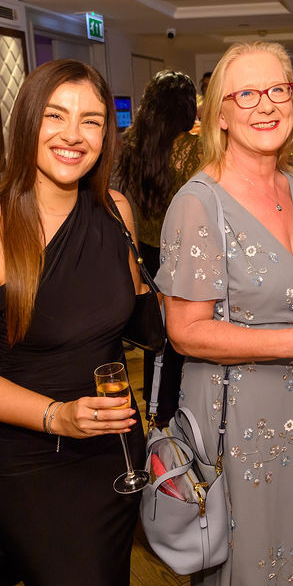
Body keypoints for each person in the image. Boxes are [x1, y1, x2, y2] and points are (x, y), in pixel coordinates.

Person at [157, 41, 293, 586]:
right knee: (253, 564)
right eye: (246, 94)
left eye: (278, 90)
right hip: (241, 423)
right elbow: (185, 332)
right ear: (220, 115)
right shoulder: (199, 203)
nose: (266, 105)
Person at [0, 60, 145, 586]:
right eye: (56, 115)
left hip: (115, 449)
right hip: (32, 464)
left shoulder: (116, 211)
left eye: (91, 120)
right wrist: (58, 417)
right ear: (27, 122)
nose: (73, 134)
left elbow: (130, 309)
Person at [114, 69, 200, 422]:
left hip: (147, 252)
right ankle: (180, 410)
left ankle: (156, 406)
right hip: (183, 249)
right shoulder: (190, 148)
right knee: (185, 332)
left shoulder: (133, 144)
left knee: (156, 332)